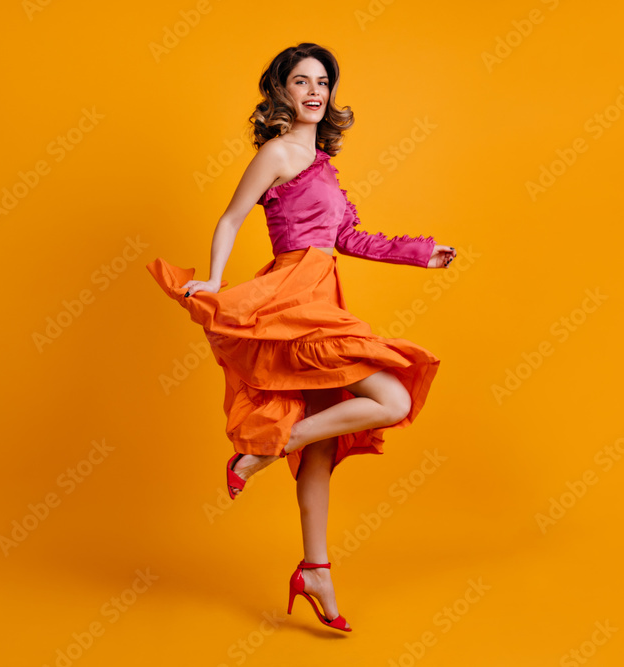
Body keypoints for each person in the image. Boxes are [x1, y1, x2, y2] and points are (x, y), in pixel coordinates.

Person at [146, 42, 456, 633]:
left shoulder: (325, 169)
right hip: (291, 299)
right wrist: (213, 278)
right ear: (281, 92)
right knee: (391, 398)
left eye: (323, 82)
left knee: (321, 455)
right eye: (301, 81)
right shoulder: (278, 153)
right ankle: (264, 448)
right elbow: (233, 216)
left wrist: (422, 254)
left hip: (323, 293)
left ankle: (316, 570)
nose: (314, 91)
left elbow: (352, 239)